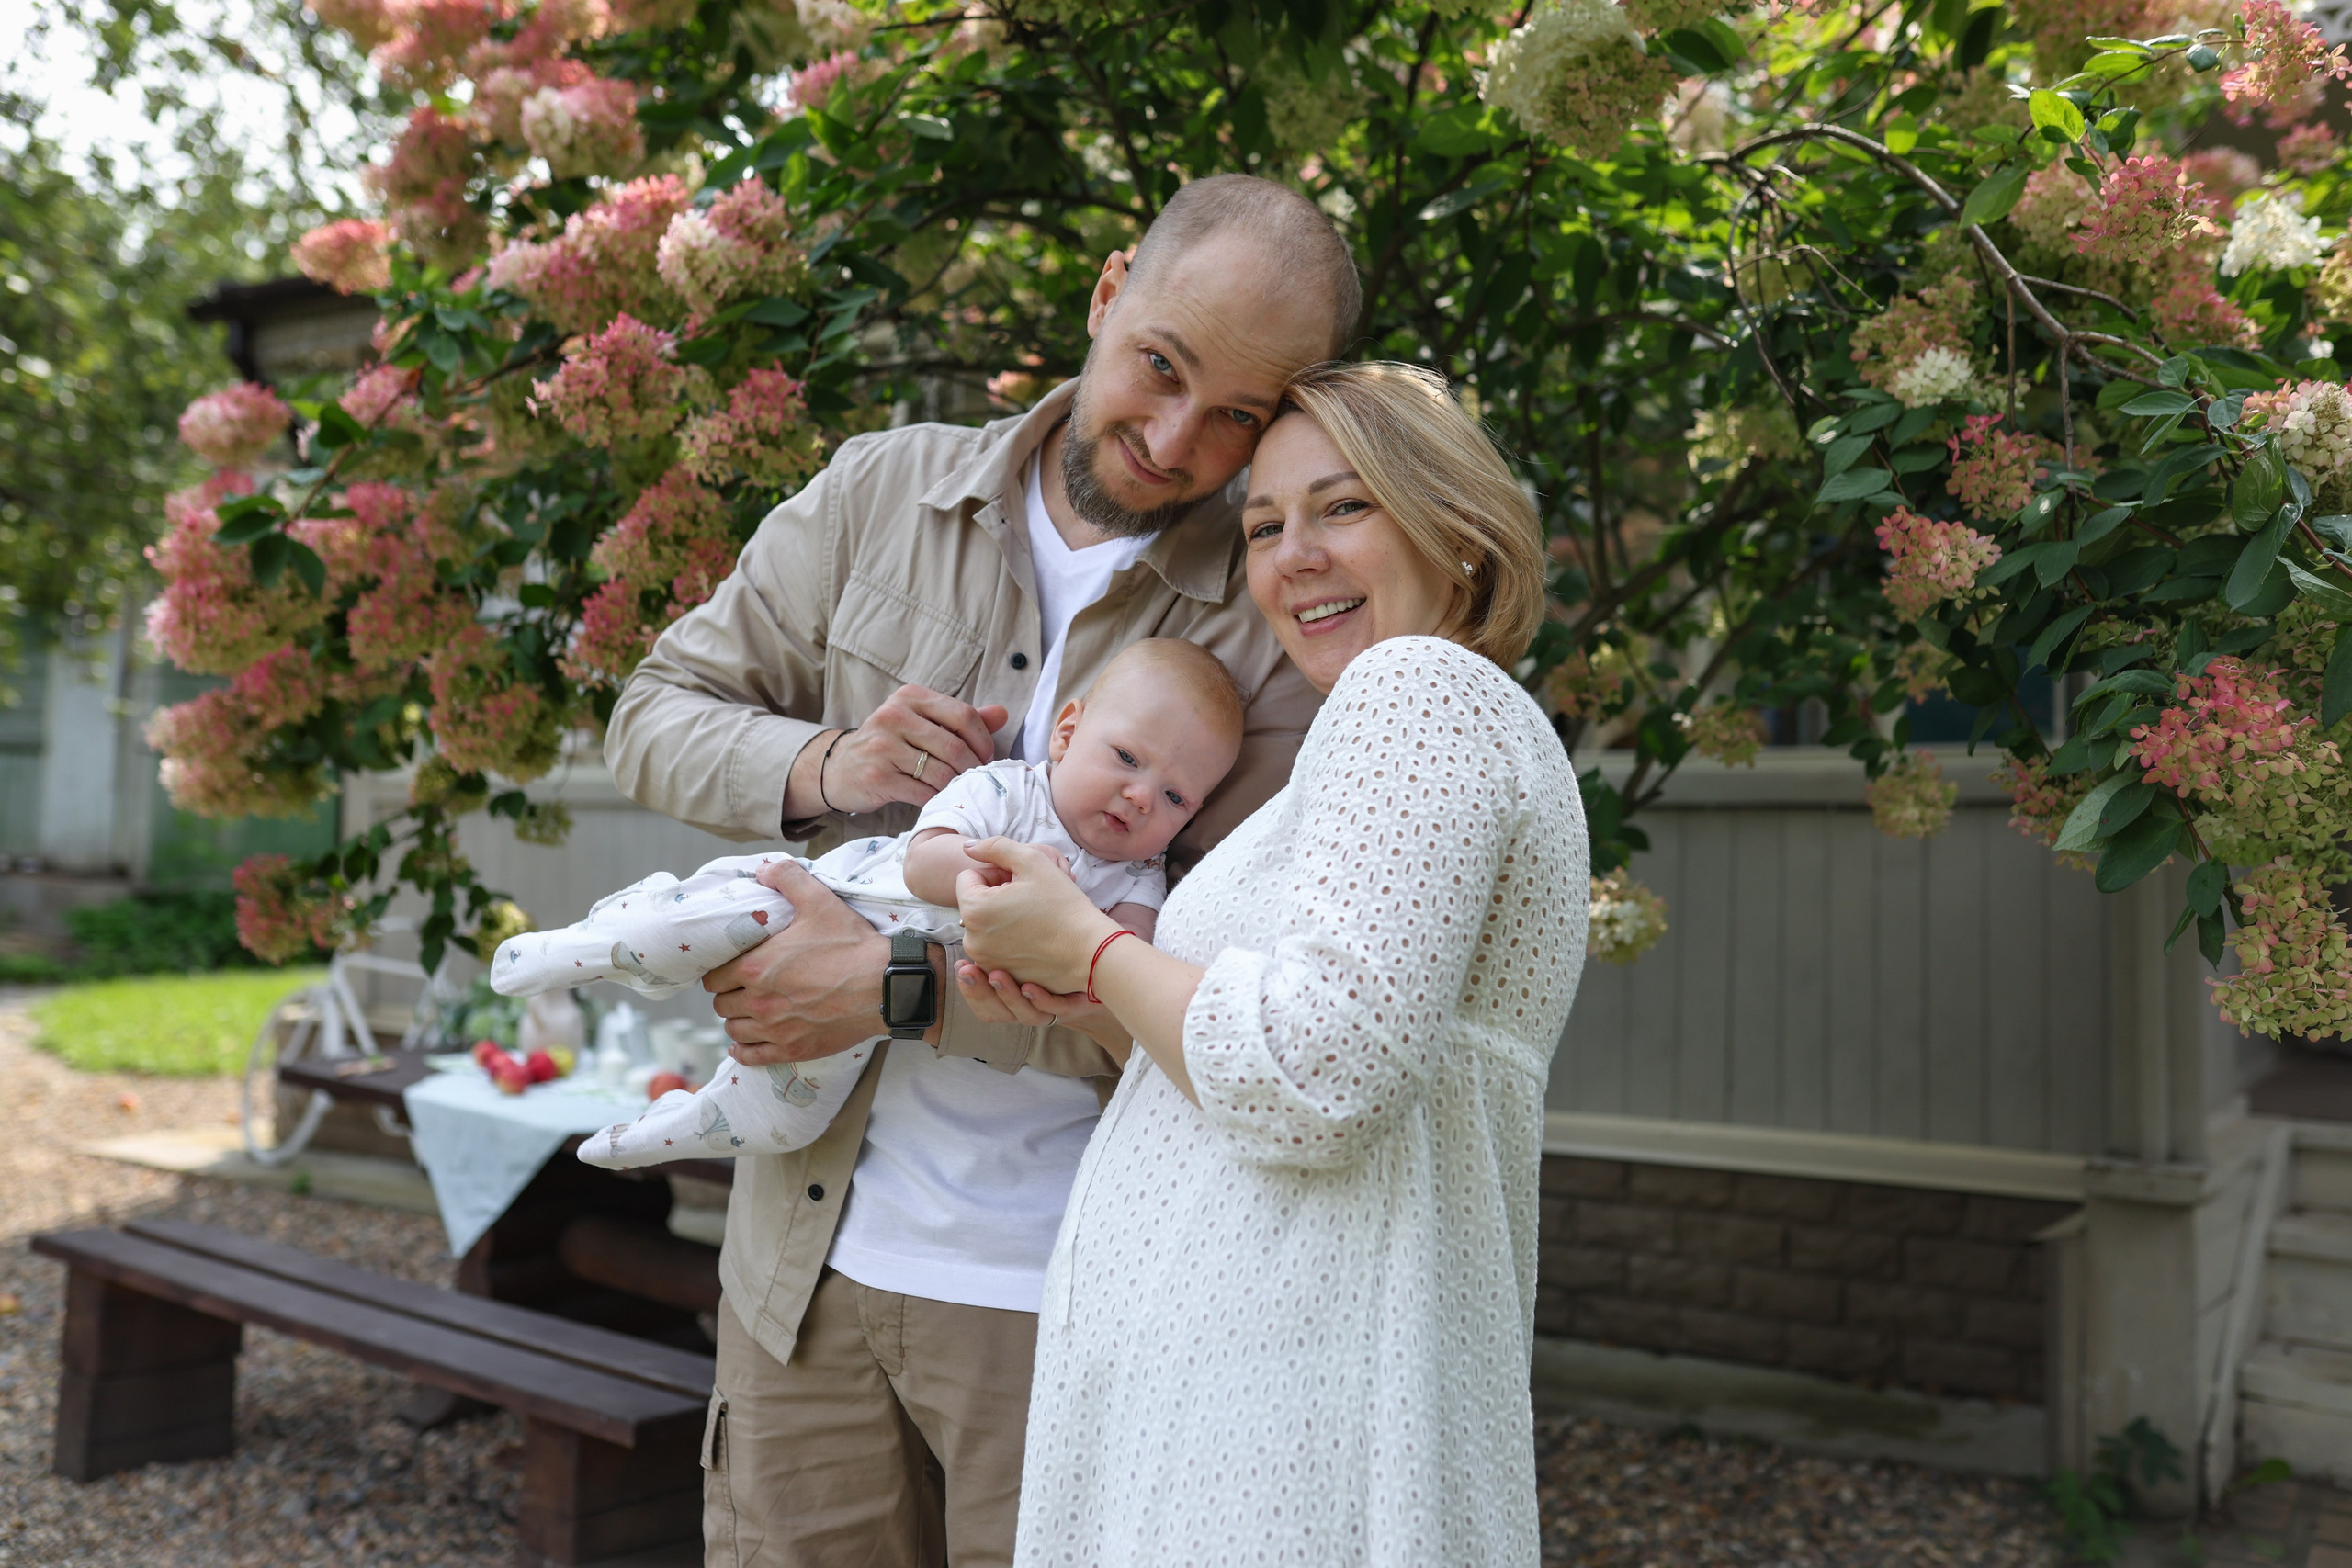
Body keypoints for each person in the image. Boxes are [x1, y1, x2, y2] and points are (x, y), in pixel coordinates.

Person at [601, 173, 1357, 1567]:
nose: (1176, 440)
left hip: (1067, 1297)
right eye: (1161, 366)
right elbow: (649, 715)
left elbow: (1214, 1007)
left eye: (1239, 416)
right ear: (1108, 292)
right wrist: (834, 763)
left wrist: (898, 985)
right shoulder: (878, 490)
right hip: (797, 1276)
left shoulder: (1274, 631)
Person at [953, 362, 1589, 1567]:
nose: (1293, 556)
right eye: (1261, 526)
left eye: (1341, 506)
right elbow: (1325, 1047)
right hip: (1243, 1401)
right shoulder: (1419, 729)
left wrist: (1090, 946)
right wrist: (1096, 1001)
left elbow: (1320, 1071)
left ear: (1455, 527)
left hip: (1279, 1430)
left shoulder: (1417, 689)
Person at [495, 641, 1242, 1169]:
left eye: (1175, 796)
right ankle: (586, 947)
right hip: (827, 900)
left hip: (870, 1012)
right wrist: (990, 876)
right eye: (1127, 758)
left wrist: (1085, 942)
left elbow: (1123, 964)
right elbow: (924, 858)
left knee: (789, 1113)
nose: (1140, 795)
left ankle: (682, 1126)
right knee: (689, 924)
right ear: (1069, 732)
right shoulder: (1013, 789)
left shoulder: (1139, 875)